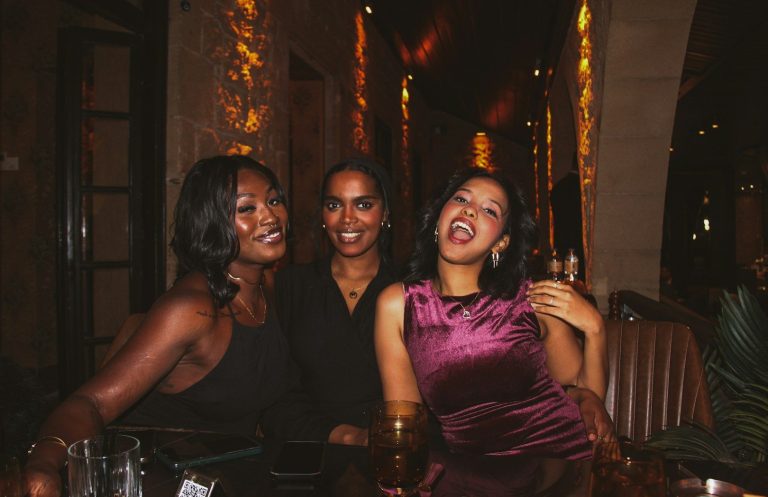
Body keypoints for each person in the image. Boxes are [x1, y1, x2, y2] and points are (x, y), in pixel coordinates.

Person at [24, 155, 352, 497]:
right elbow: (91, 404)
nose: (271, 216)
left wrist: (341, 433)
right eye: (246, 209)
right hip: (155, 482)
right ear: (212, 221)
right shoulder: (193, 309)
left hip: (225, 480)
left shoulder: (266, 287)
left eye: (273, 200)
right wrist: (43, 464)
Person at [375, 167, 609, 458]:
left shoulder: (531, 299)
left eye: (489, 210)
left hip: (561, 461)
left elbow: (586, 397)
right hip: (475, 477)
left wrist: (596, 329)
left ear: (501, 242)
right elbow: (406, 425)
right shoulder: (398, 305)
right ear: (438, 218)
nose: (470, 211)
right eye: (461, 200)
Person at [275, 157, 396, 444]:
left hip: (389, 451)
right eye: (334, 205)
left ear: (385, 214)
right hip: (307, 448)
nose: (347, 218)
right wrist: (346, 435)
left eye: (364, 204)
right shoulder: (290, 286)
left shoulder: (413, 289)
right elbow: (275, 392)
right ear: (322, 215)